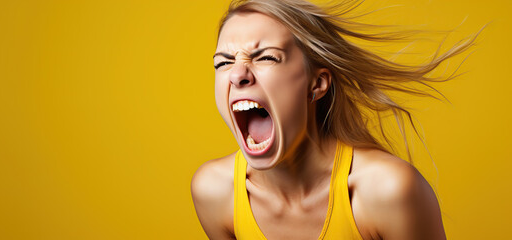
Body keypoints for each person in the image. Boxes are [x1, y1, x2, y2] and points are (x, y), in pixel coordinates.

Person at [192, 0, 475, 239]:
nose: (237, 74)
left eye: (266, 58)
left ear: (317, 84)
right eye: (223, 62)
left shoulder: (386, 191)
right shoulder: (215, 192)